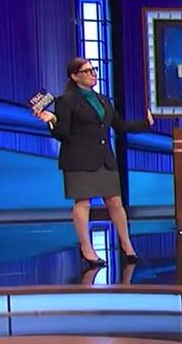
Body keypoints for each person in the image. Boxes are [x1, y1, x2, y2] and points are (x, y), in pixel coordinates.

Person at [34, 58, 154, 268]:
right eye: (87, 70)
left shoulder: (103, 100)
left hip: (104, 158)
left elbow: (120, 126)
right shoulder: (66, 100)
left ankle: (128, 246)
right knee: (83, 203)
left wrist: (146, 123)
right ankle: (87, 249)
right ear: (74, 75)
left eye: (93, 69)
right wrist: (52, 120)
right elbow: (63, 134)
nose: (93, 73)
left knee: (115, 202)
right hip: (79, 158)